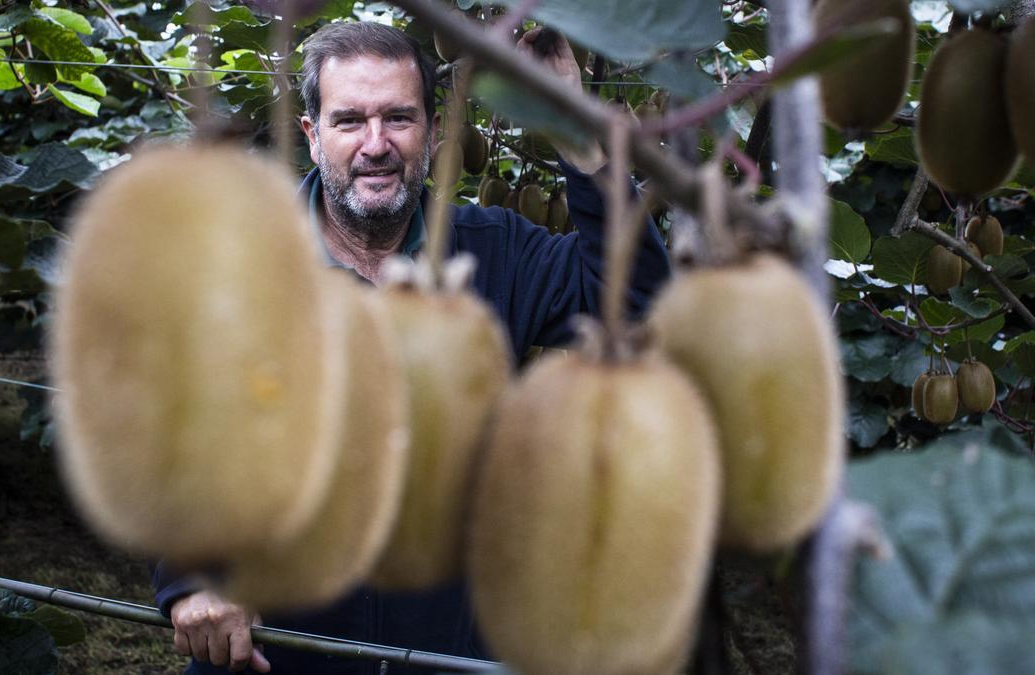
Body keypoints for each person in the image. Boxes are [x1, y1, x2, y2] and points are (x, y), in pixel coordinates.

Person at [151, 20, 671, 675]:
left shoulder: (496, 250)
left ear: (431, 131)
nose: (376, 144)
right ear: (312, 138)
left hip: (447, 648)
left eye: (398, 117)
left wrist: (573, 127)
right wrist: (190, 578)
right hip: (280, 651)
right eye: (349, 121)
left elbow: (639, 308)